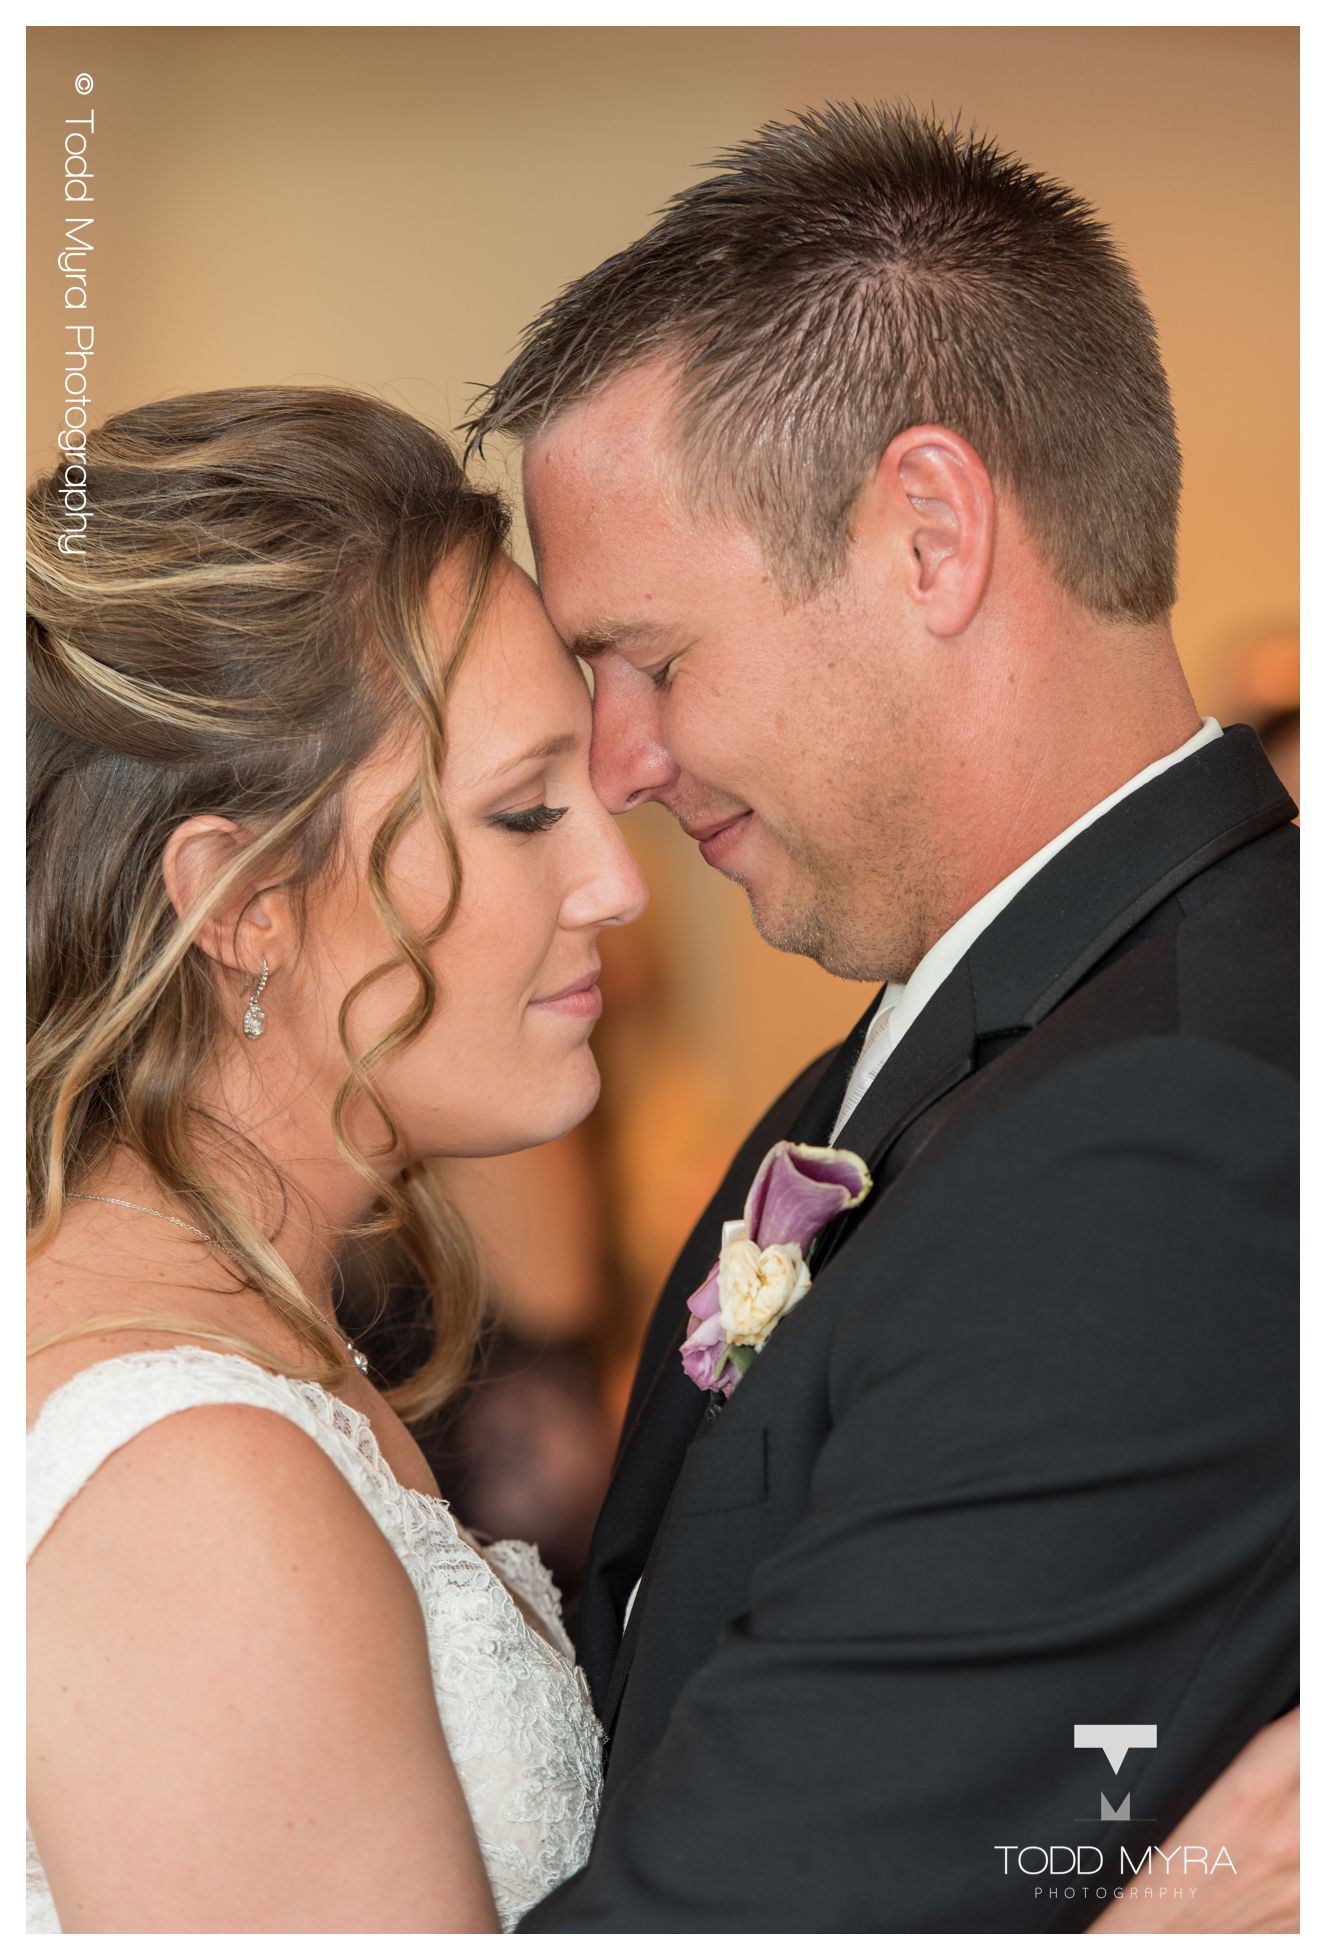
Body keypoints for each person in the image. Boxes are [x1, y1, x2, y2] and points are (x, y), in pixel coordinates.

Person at [465, 102, 1300, 1931]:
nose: (619, 762)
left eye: (649, 660)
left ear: (929, 536)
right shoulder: (986, 1049)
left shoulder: (1160, 1140)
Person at [25, 384, 648, 1932]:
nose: (614, 883)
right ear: (239, 902)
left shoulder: (231, 1346)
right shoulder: (190, 1484)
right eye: (524, 812)